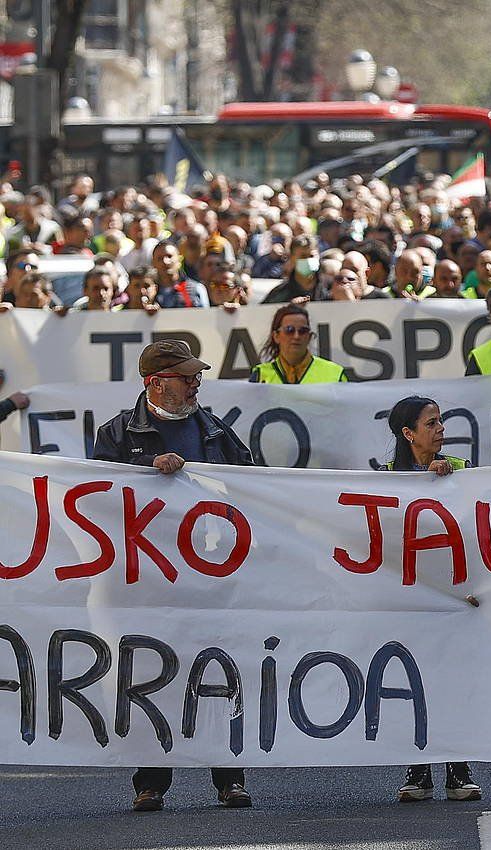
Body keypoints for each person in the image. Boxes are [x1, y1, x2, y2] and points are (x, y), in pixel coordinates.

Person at [92, 340, 255, 812]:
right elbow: (98, 493)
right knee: (146, 674)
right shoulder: (118, 433)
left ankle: (230, 777)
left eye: (195, 375)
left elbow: (250, 481)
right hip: (144, 578)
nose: (196, 382)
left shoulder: (216, 430)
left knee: (219, 673)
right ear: (155, 383)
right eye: (186, 377)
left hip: (207, 573)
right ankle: (150, 782)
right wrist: (147, 468)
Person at [383, 395, 483, 802]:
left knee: (453, 681)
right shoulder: (384, 479)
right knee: (410, 680)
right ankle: (418, 767)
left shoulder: (462, 471)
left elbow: (481, 530)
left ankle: (458, 767)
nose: (441, 428)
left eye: (441, 421)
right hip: (408, 597)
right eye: (432, 423)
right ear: (408, 434)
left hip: (455, 595)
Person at [249, 304, 350, 384]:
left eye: (303, 331)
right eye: (289, 330)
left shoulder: (335, 374)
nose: (296, 336)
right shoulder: (260, 376)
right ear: (276, 336)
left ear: (309, 337)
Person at [262, 235, 324, 303]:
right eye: (303, 256)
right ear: (292, 259)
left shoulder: (329, 288)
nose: (308, 260)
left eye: (311, 256)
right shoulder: (280, 294)